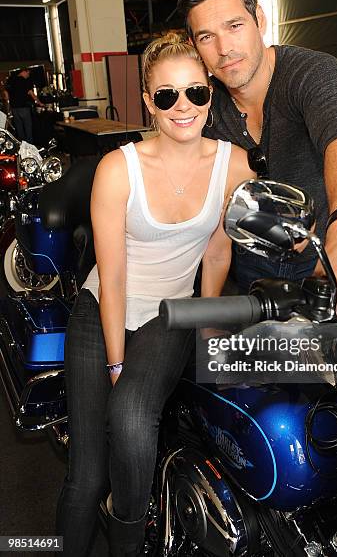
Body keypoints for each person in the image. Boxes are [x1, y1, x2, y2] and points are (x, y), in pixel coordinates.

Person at [56, 33, 254, 557]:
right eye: (166, 96)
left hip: (169, 312)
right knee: (87, 475)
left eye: (195, 92)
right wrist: (116, 366)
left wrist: (203, 323)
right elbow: (114, 276)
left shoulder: (234, 165)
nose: (182, 107)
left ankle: (128, 537)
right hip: (102, 308)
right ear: (148, 101)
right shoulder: (118, 168)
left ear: (211, 93)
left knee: (129, 417)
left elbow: (217, 253)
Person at [177, 0, 337, 325]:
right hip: (252, 283)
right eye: (207, 36)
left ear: (259, 19)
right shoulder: (203, 107)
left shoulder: (311, 73)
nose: (224, 48)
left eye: (234, 26)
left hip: (324, 270)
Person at [4, 67, 43, 143]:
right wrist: (39, 102)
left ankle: (21, 145)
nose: (28, 75)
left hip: (14, 108)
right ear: (24, 72)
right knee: (28, 128)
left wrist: (8, 106)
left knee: (19, 129)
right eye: (28, 73)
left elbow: (6, 93)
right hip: (24, 107)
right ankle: (29, 146)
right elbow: (31, 93)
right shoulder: (25, 81)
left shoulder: (11, 80)